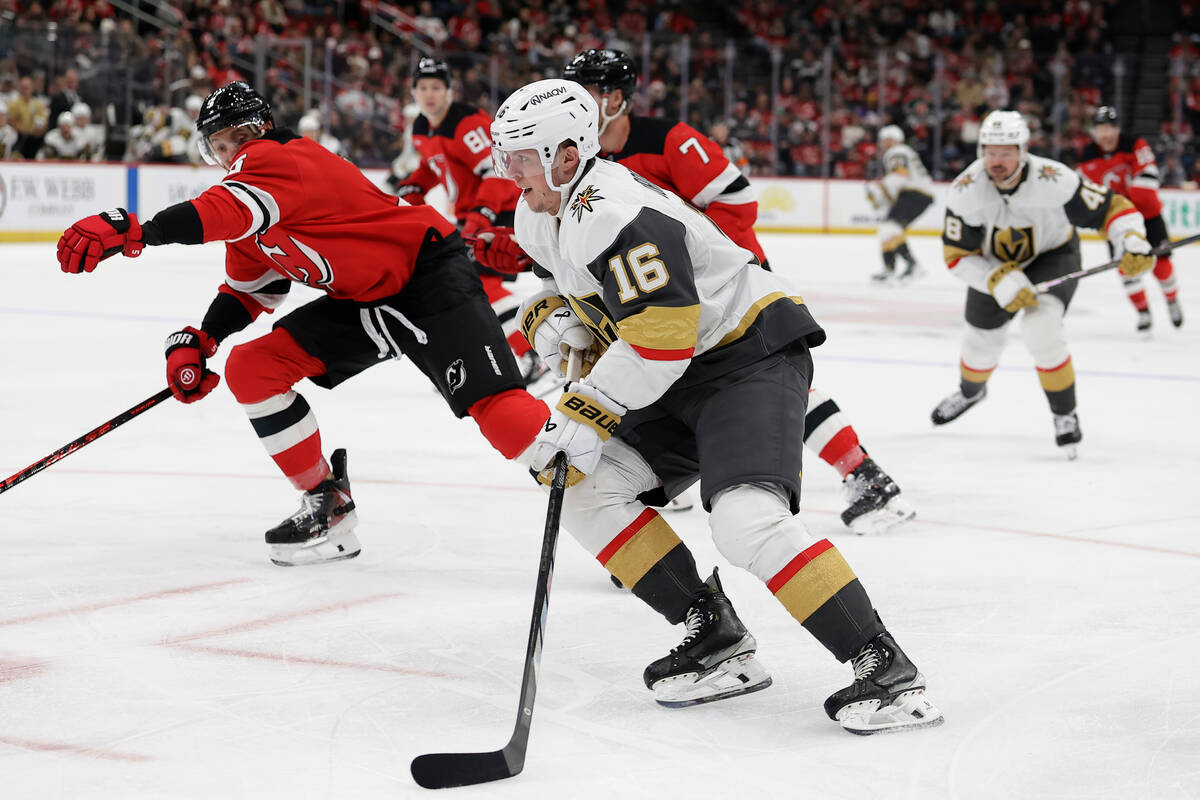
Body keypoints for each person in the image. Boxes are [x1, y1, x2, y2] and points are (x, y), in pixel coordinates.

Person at [493, 78, 942, 734]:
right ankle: (715, 635)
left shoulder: (611, 209)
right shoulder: (539, 210)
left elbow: (662, 339)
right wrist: (553, 324)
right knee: (583, 485)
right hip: (672, 370)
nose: (510, 171)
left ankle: (886, 669)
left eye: (521, 157)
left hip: (743, 355)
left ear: (567, 155)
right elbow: (542, 283)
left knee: (745, 521)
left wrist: (586, 406)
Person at [55, 82, 550, 566]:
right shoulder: (247, 201)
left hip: (426, 273)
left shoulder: (278, 157)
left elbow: (216, 211)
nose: (232, 153)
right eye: (219, 146)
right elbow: (251, 291)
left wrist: (138, 231)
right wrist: (203, 340)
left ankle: (614, 502)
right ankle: (326, 503)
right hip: (363, 299)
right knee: (252, 369)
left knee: (500, 413)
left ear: (264, 129)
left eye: (240, 138)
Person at [551, 48, 914, 534]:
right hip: (662, 292)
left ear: (615, 98)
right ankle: (643, 503)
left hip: (725, 284)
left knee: (762, 383)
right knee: (663, 383)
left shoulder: (671, 140)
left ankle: (862, 471)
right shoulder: (581, 160)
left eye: (587, 93)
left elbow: (737, 200)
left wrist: (695, 266)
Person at [932, 110, 1154, 458]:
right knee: (980, 343)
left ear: (1023, 151)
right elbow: (957, 256)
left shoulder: (1055, 179)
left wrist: (1133, 240)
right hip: (993, 266)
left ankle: (1064, 414)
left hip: (1054, 256)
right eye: (990, 152)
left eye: (1006, 152)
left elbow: (1113, 207)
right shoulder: (965, 191)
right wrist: (997, 278)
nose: (997, 161)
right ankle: (972, 391)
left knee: (1042, 329)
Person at [387, 58, 542, 385]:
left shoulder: (467, 122)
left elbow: (498, 173)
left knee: (477, 285)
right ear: (413, 90)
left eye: (436, 87)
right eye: (423, 87)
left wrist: (480, 215)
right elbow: (435, 164)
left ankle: (531, 351)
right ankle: (494, 356)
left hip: (499, 211)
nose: (429, 94)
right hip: (472, 216)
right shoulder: (421, 127)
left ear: (449, 90)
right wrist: (414, 187)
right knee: (462, 288)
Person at [1077, 106, 1183, 333]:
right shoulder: (1087, 155)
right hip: (1114, 223)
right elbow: (1086, 192)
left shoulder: (1135, 144)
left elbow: (1146, 182)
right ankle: (1143, 311)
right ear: (1094, 132)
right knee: (1126, 268)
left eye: (1109, 128)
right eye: (1100, 128)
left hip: (1147, 216)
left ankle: (1172, 300)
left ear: (1117, 129)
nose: (1105, 134)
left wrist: (1123, 208)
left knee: (1161, 263)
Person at [865, 125, 933, 283]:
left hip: (915, 193)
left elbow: (900, 175)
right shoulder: (904, 151)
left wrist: (880, 188)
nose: (884, 144)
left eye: (887, 140)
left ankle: (913, 266)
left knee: (890, 228)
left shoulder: (896, 152)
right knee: (886, 229)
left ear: (895, 140)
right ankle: (889, 269)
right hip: (915, 193)